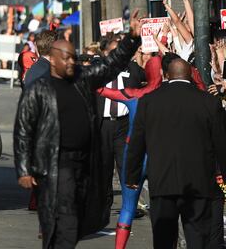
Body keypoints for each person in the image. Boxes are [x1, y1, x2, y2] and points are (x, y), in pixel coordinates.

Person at [14, 10, 143, 248]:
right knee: (64, 223)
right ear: (52, 59)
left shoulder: (82, 79)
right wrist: (23, 168)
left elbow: (110, 65)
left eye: (73, 57)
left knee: (73, 224)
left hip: (84, 164)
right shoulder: (39, 89)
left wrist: (132, 39)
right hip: (54, 163)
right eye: (66, 58)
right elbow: (23, 130)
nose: (71, 62)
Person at [125, 56, 226, 248]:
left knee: (164, 238)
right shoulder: (208, 103)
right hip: (198, 183)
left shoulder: (149, 102)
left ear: (165, 75)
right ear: (190, 75)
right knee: (198, 237)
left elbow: (136, 143)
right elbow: (221, 143)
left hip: (162, 182)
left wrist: (132, 176)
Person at [96, 56, 162, 249]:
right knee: (162, 208)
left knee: (127, 207)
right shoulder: (167, 96)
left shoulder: (134, 94)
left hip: (134, 157)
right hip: (158, 156)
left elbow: (104, 91)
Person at [96, 34, 146, 223]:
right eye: (113, 51)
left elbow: (149, 77)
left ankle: (129, 206)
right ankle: (102, 208)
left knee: (126, 166)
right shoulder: (98, 69)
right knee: (103, 167)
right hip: (103, 124)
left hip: (123, 125)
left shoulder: (132, 69)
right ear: (106, 52)